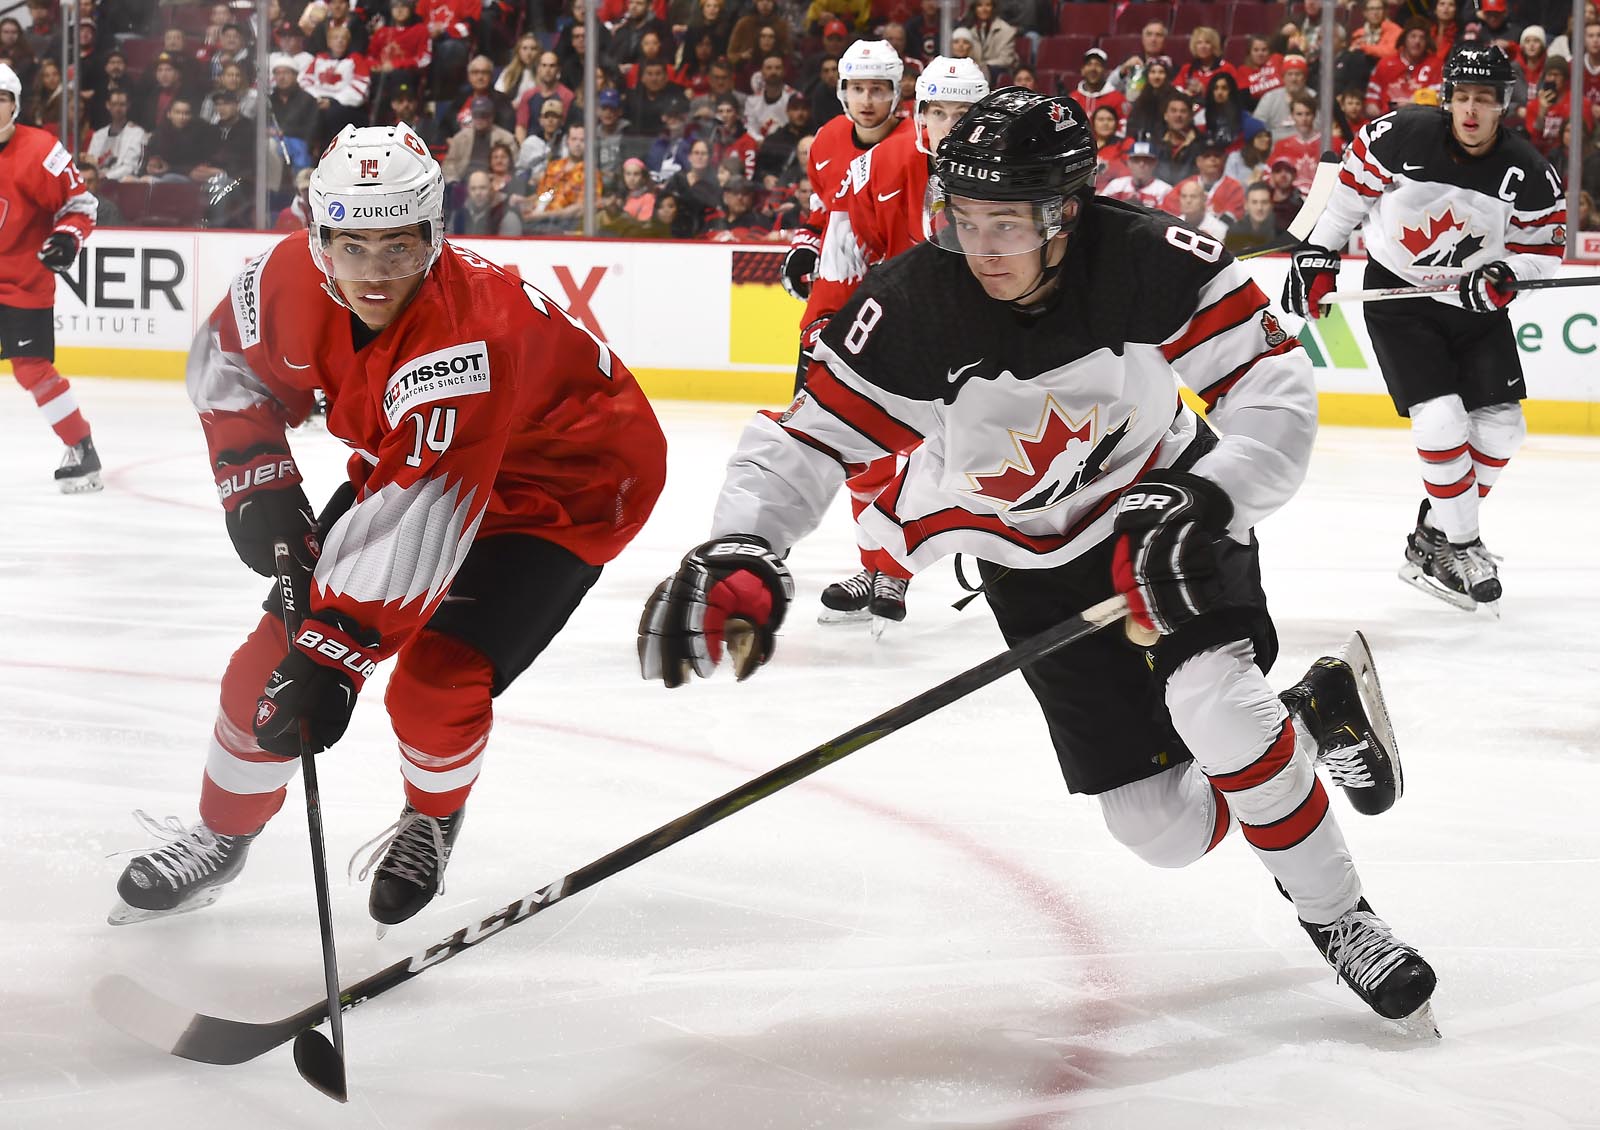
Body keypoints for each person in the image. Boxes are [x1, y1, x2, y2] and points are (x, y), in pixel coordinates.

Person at [639, 87, 1435, 1031]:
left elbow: (1272, 387)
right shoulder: (911, 306)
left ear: (1064, 213)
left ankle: (1341, 918)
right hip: (1025, 558)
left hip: (1161, 514)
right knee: (1161, 829)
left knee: (1213, 702)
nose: (980, 247)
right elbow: (810, 440)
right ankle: (1315, 718)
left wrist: (1209, 496)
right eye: (962, 218)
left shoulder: (1146, 259)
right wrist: (743, 539)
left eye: (1005, 223)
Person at [111, 122, 666, 928]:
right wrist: (253, 472)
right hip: (420, 462)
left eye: (400, 248)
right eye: (352, 246)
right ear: (318, 236)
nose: (375, 273)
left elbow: (426, 515)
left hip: (566, 487)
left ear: (435, 237)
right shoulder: (284, 278)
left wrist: (336, 654)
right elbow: (227, 362)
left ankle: (432, 817)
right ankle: (219, 835)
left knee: (436, 681)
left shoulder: (468, 337)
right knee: (259, 671)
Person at [1283, 44, 1562, 613]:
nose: (1471, 110)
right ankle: (1463, 544)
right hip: (1400, 298)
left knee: (1505, 428)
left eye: (1484, 100)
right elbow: (1347, 199)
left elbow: (1544, 256)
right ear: (1446, 100)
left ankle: (1432, 539)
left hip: (1474, 307)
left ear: (1503, 105)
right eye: (1462, 97)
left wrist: (1506, 274)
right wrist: (1317, 254)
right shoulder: (1399, 135)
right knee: (1439, 421)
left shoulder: (1529, 172)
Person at [796, 57, 988, 626]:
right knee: (869, 453)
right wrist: (822, 324)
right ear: (920, 113)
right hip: (900, 324)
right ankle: (879, 569)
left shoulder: (1013, 170)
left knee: (967, 461)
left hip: (988, 338)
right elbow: (843, 253)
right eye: (938, 112)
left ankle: (900, 568)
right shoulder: (876, 168)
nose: (949, 126)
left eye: (964, 114)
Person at [0, 62, 101, 492]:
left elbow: (82, 204)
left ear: (15, 105)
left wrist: (65, 237)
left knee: (32, 369)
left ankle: (82, 448)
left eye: (0, 100)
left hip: (22, 281)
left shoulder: (42, 150)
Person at [87, 88, 147, 181]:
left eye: (122, 105)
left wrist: (107, 176)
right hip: (97, 180)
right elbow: (90, 162)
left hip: (121, 180)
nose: (118, 109)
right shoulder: (99, 135)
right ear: (108, 105)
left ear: (128, 106)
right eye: (114, 104)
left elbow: (130, 166)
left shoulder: (137, 133)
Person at [1101, 137, 1171, 208]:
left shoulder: (1164, 191)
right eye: (1136, 160)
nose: (1141, 164)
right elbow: (1100, 207)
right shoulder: (1116, 186)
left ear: (1155, 163)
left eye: (1147, 160)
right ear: (1129, 162)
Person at [1226, 180, 1286, 253]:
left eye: (1264, 202)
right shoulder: (1234, 232)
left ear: (1272, 205)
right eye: (1254, 202)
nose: (1259, 208)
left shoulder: (1284, 232)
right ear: (1246, 205)